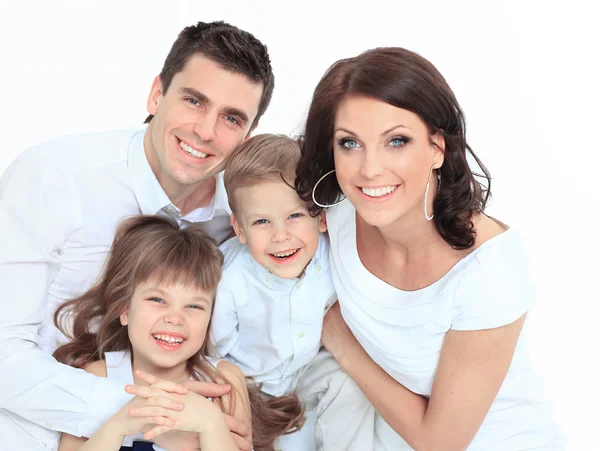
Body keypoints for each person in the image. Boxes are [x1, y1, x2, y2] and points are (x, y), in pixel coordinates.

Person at [0, 20, 273, 451]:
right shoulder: (52, 178)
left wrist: (221, 402)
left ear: (247, 136)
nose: (205, 130)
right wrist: (155, 415)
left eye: (231, 118)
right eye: (194, 100)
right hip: (35, 422)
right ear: (156, 94)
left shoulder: (243, 216)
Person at [295, 47, 565, 450]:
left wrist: (343, 345)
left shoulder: (487, 273)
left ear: (437, 147)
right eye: (350, 143)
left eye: (397, 141)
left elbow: (440, 442)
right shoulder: (337, 212)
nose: (370, 169)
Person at [53, 215, 303, 451]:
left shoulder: (222, 381)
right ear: (125, 310)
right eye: (157, 299)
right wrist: (120, 425)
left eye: (194, 306)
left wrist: (209, 422)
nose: (175, 318)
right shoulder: (99, 376)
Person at [212, 134, 374, 450]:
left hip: (306, 368)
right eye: (261, 221)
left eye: (295, 216)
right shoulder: (231, 280)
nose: (281, 235)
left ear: (320, 217)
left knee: (348, 385)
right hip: (250, 384)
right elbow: (212, 353)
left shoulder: (333, 255)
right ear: (239, 229)